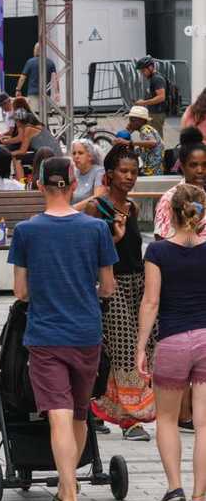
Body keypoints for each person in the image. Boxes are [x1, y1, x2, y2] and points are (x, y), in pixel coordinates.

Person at [8, 156, 117, 501]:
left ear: (39, 185)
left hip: (46, 334)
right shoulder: (96, 230)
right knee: (80, 414)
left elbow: (20, 291)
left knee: (58, 414)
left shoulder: (27, 231)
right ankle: (67, 487)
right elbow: (109, 287)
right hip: (87, 333)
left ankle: (68, 497)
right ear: (73, 185)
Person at [136, 182, 206, 501]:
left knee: (165, 418)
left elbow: (150, 302)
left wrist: (140, 348)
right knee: (205, 423)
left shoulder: (158, 252)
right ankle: (200, 495)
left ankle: (174, 486)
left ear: (171, 212)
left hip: (173, 341)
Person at [76, 146, 152, 439]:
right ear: (109, 174)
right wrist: (111, 233)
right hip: (112, 284)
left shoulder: (131, 207)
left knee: (128, 350)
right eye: (124, 171)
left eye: (133, 172)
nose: (130, 177)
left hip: (138, 282)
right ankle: (130, 419)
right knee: (123, 350)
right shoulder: (98, 206)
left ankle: (95, 407)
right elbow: (87, 241)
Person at [114, 106, 164, 176]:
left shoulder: (144, 130)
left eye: (133, 120)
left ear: (142, 121)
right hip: (155, 168)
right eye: (130, 120)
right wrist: (128, 131)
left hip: (151, 170)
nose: (130, 123)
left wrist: (128, 142)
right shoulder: (148, 128)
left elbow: (152, 143)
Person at [134, 55, 170, 138]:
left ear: (150, 67)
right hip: (154, 112)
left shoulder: (157, 79)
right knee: (152, 136)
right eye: (141, 71)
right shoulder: (153, 78)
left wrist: (143, 102)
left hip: (157, 113)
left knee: (156, 137)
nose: (142, 73)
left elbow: (161, 97)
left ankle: (160, 151)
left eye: (143, 70)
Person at [69, 139, 106, 206]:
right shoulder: (74, 172)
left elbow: (98, 197)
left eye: (80, 153)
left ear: (90, 156)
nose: (76, 156)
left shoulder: (99, 172)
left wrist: (74, 208)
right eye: (74, 153)